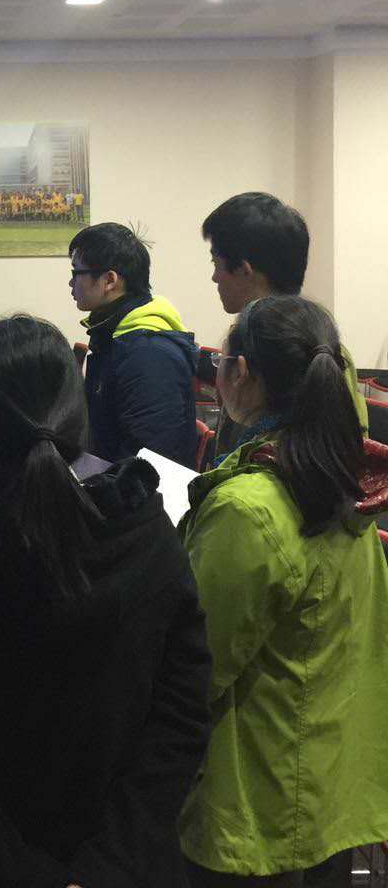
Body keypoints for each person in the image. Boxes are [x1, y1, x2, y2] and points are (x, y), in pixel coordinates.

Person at [0, 315, 212, 888]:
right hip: (122, 866)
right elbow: (180, 719)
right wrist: (103, 867)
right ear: (77, 408)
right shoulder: (147, 535)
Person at [179, 295, 388, 886]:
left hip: (254, 805)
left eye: (219, 360)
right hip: (330, 783)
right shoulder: (345, 478)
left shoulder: (249, 509)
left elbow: (197, 663)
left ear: (241, 372)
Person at [202, 192, 368, 458]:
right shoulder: (298, 342)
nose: (214, 277)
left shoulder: (312, 351)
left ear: (244, 269)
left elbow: (340, 459)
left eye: (216, 263)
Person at [70, 222, 199, 468]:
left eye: (76, 272)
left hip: (140, 488)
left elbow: (151, 463)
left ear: (109, 280)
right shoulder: (113, 335)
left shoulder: (149, 354)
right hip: (110, 479)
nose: (70, 283)